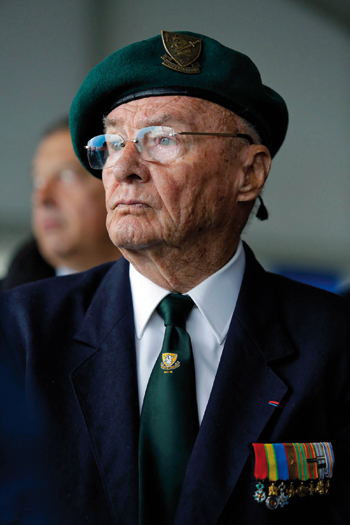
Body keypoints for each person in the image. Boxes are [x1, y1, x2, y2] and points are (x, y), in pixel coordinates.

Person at [0, 31, 349, 524]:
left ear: (249, 174)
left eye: (162, 139)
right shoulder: (19, 335)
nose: (122, 167)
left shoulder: (333, 345)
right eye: (112, 142)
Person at [1, 117, 120, 290]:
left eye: (66, 176)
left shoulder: (169, 305)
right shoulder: (8, 307)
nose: (42, 198)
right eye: (37, 181)